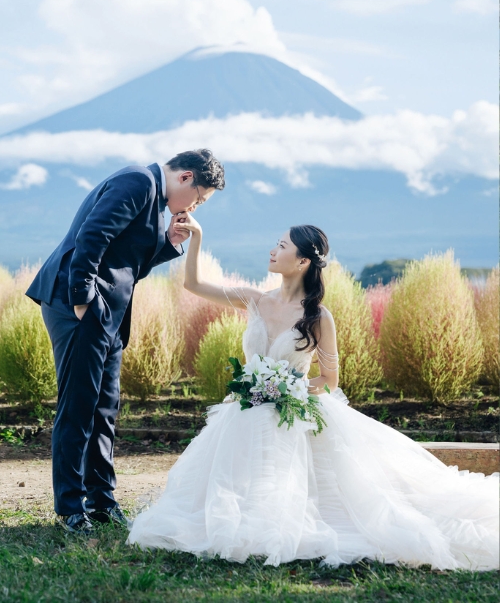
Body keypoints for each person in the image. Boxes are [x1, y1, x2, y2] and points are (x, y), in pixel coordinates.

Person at [126, 220, 500, 570]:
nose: (273, 250)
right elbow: (193, 285)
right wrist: (197, 240)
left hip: (294, 412)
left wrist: (286, 388)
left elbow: (330, 380)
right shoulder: (254, 299)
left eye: (282, 245)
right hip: (246, 409)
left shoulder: (319, 316)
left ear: (302, 261)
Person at [26, 149, 224, 533]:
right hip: (78, 305)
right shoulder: (137, 182)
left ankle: (102, 501)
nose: (196, 207)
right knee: (78, 407)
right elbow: (92, 237)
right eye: (200, 198)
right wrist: (83, 299)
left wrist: (168, 241)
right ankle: (70, 508)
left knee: (104, 409)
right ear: (186, 177)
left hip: (108, 316)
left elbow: (127, 267)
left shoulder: (154, 200)